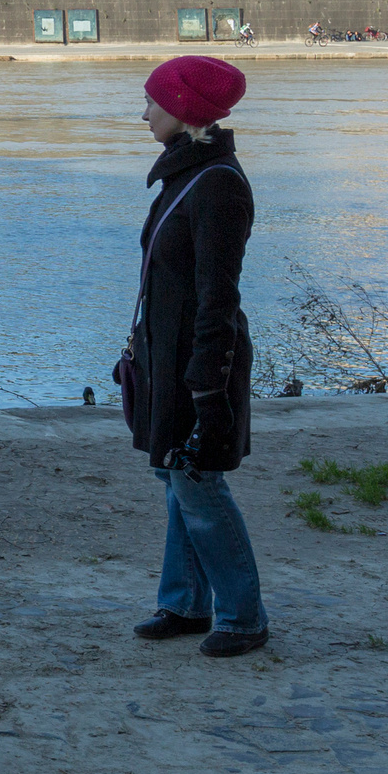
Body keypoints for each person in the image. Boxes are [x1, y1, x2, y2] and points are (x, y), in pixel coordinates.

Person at [121, 54, 267, 658]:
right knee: (176, 479)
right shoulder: (189, 174)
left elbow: (217, 299)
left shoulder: (218, 184)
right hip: (168, 358)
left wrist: (208, 390)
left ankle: (242, 617)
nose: (142, 112)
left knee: (197, 481)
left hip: (199, 364)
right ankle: (184, 602)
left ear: (183, 110)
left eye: (152, 101)